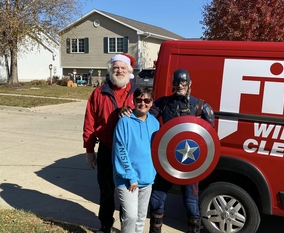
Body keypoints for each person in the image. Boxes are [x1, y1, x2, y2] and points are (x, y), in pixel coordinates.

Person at [120, 69, 215, 233]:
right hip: (167, 160)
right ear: (173, 84)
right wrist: (126, 110)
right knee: (157, 199)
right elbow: (143, 113)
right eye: (177, 82)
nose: (180, 85)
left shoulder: (201, 106)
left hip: (190, 164)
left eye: (183, 82)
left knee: (192, 204)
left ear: (189, 83)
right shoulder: (164, 103)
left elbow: (210, 138)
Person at [83, 53, 138, 233]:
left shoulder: (138, 94)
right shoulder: (99, 92)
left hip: (130, 154)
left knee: (128, 192)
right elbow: (89, 122)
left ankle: (126, 227)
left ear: (129, 70)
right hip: (107, 149)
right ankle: (105, 225)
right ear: (111, 70)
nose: (119, 71)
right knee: (106, 191)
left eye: (123, 68)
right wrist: (90, 150)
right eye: (116, 68)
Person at [112, 87, 160, 233]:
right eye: (139, 100)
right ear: (133, 101)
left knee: (140, 218)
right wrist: (131, 176)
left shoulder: (155, 123)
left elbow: (157, 149)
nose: (143, 103)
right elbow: (120, 151)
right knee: (130, 217)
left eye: (147, 100)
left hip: (147, 179)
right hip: (127, 180)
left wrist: (154, 173)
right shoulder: (124, 122)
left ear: (151, 103)